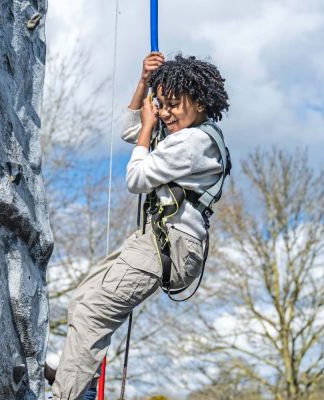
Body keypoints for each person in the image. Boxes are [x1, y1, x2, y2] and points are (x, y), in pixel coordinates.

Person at [50, 52, 230, 399]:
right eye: (160, 105)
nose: (165, 112)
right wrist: (143, 85)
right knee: (83, 300)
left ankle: (68, 394)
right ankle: (80, 380)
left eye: (173, 104)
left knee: (93, 310)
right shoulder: (183, 133)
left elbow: (137, 177)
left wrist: (150, 126)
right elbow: (132, 131)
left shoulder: (193, 142)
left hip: (170, 244)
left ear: (201, 102)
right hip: (157, 238)